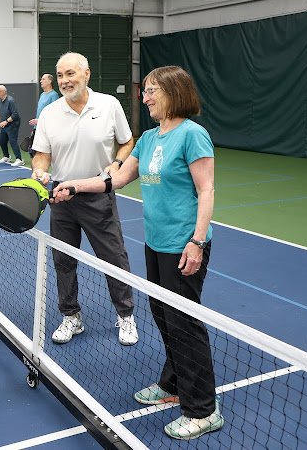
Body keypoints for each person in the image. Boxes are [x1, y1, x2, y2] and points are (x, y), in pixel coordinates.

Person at [51, 65, 224, 440]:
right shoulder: (148, 139)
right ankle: (173, 384)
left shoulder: (194, 135)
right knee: (162, 315)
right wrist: (73, 186)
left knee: (185, 323)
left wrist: (197, 242)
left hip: (184, 245)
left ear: (174, 92)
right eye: (144, 91)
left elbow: (207, 191)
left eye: (151, 91)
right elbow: (113, 179)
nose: (144, 98)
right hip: (156, 242)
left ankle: (203, 409)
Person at [30, 52, 138, 346]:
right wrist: (39, 171)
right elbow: (42, 155)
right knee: (63, 261)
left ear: (86, 74)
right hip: (62, 197)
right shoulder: (51, 113)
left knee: (113, 258)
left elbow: (128, 141)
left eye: (70, 74)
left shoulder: (109, 104)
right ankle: (71, 316)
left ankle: (126, 316)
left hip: (97, 195)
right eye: (60, 75)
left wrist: (117, 162)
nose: (64, 81)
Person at [27, 74, 59, 157]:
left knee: (42, 154)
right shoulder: (42, 95)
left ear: (50, 81)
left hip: (47, 129)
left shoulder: (54, 95)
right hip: (37, 128)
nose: (41, 81)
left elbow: (54, 114)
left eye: (43, 79)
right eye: (41, 79)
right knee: (33, 152)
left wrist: (39, 121)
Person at [0, 85, 23, 166]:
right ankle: (6, 156)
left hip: (13, 124)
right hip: (4, 123)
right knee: (2, 141)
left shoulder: (10, 101)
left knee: (12, 140)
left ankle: (19, 159)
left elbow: (15, 114)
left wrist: (6, 121)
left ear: (4, 92)